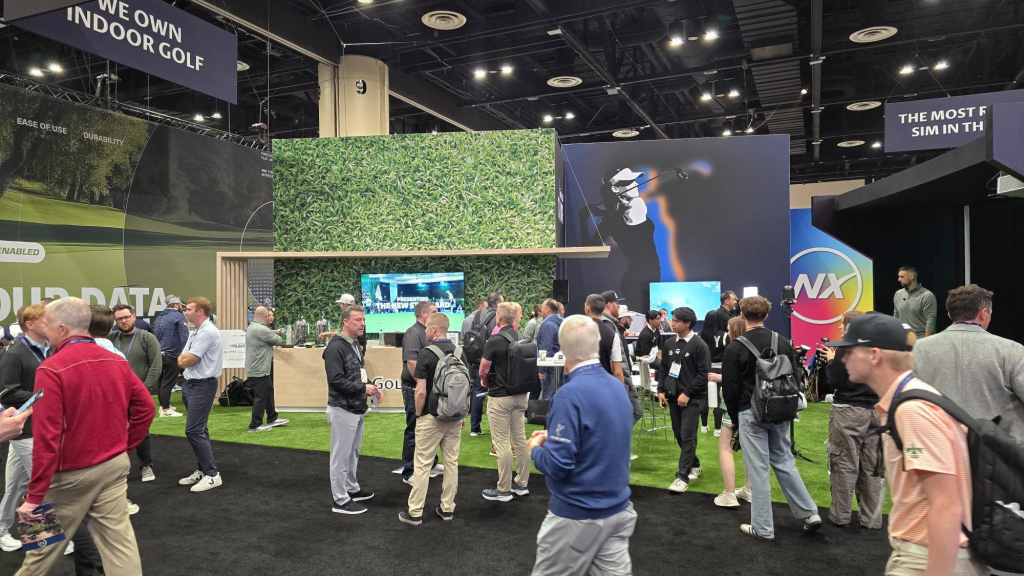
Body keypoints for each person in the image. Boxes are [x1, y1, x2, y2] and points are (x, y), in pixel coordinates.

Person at [832, 314, 986, 576]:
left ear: (874, 355)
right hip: (925, 552)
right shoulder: (910, 400)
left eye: (850, 350)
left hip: (925, 557)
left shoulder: (913, 410)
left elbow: (946, 505)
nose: (843, 358)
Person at [15, 297, 154, 576]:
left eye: (47, 324)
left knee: (39, 552)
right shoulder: (116, 360)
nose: (44, 330)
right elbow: (146, 408)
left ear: (62, 328)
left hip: (66, 476)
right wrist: (125, 448)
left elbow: (47, 436)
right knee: (120, 546)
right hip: (113, 467)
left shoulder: (50, 368)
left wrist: (35, 495)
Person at [528, 315, 637, 576]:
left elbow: (558, 465)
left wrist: (534, 449)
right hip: (618, 511)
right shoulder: (616, 386)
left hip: (578, 515)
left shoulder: (569, 395)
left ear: (562, 349)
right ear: (598, 344)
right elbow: (604, 435)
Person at [722, 296, 821, 541]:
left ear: (742, 314)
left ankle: (763, 527)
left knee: (758, 470)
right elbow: (795, 378)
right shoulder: (783, 342)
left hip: (750, 412)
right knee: (785, 461)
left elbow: (731, 389)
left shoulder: (735, 347)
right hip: (780, 410)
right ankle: (809, 513)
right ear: (766, 315)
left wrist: (734, 418)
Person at [913, 284, 1024, 442]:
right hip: (999, 450)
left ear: (950, 314)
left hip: (937, 447)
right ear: (983, 313)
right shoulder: (1012, 350)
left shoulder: (917, 350)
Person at [400, 313, 467, 525]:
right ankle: (447, 509)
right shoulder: (460, 352)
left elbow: (420, 391)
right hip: (454, 417)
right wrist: (461, 414)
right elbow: (465, 388)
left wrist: (419, 415)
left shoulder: (426, 354)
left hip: (431, 417)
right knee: (451, 463)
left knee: (422, 465)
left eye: (427, 327)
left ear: (434, 329)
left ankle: (415, 512)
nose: (425, 331)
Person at [825, 311, 883, 529]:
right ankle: (872, 520)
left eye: (842, 324)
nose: (840, 327)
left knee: (844, 463)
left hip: (848, 411)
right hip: (875, 412)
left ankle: (840, 517)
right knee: (871, 467)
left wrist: (831, 361)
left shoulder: (846, 349)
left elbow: (835, 381)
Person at [324, 305, 380, 515]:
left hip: (356, 407)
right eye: (358, 320)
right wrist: (363, 388)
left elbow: (359, 373)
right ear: (346, 322)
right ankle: (340, 499)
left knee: (352, 452)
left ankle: (351, 488)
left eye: (363, 320)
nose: (362, 324)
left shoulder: (354, 344)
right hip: (342, 408)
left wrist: (371, 386)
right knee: (340, 456)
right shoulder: (335, 348)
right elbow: (336, 380)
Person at [0, 304, 48, 552]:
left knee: (15, 486)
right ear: (30, 324)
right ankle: (43, 540)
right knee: (42, 484)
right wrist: (45, 396)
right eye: (45, 319)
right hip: (23, 429)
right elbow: (7, 393)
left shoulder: (48, 348)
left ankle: (1, 531)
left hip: (36, 427)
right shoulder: (15, 353)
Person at [479, 302, 529, 502]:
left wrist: (485, 381)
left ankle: (504, 490)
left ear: (499, 317)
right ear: (515, 317)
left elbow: (483, 369)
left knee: (502, 443)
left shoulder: (495, 340)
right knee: (520, 440)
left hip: (500, 396)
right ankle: (522, 484)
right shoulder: (522, 337)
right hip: (520, 395)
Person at [657, 307, 711, 493]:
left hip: (693, 399)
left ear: (687, 323)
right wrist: (660, 390)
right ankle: (694, 464)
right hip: (673, 396)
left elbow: (703, 374)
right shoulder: (669, 343)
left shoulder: (699, 345)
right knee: (679, 435)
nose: (672, 323)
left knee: (688, 435)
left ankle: (682, 477)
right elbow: (664, 369)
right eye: (672, 319)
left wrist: (687, 393)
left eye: (676, 320)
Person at [110, 304, 162, 484]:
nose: (123, 321)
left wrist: (144, 389)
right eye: (119, 319)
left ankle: (146, 465)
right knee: (113, 432)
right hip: (114, 395)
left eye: (126, 317)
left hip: (137, 395)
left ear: (133, 316)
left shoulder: (147, 338)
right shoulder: (110, 339)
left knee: (140, 431)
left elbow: (156, 365)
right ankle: (115, 468)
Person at [176, 296, 224, 493]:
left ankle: (212, 475)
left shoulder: (207, 332)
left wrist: (183, 360)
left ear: (200, 311)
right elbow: (182, 357)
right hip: (192, 384)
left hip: (202, 385)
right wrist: (183, 359)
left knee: (194, 430)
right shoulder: (197, 331)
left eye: (189, 309)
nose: (185, 312)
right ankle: (204, 470)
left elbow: (187, 360)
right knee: (200, 429)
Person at [710, 316, 751, 508]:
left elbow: (733, 383)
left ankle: (729, 494)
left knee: (725, 448)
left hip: (734, 406)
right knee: (750, 450)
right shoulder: (754, 348)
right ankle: (749, 490)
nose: (726, 333)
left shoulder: (733, 349)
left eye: (728, 329)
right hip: (753, 407)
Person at [399, 300, 441, 484]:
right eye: (434, 311)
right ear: (424, 314)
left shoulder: (428, 332)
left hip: (427, 388)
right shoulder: (413, 333)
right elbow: (412, 363)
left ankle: (431, 463)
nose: (437, 313)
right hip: (414, 388)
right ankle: (409, 471)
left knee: (430, 427)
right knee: (414, 427)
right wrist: (423, 384)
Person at [699, 291, 738, 434]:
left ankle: (704, 426)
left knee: (704, 398)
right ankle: (717, 429)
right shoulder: (724, 336)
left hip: (705, 370)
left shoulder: (699, 336)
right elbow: (729, 353)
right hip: (721, 370)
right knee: (720, 399)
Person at [245, 306, 289, 433]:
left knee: (268, 392)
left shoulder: (253, 327)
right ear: (264, 316)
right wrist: (278, 334)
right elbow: (279, 341)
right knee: (261, 396)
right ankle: (255, 425)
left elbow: (267, 335)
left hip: (258, 368)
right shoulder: (262, 329)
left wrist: (274, 332)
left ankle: (272, 418)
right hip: (259, 369)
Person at [469, 292, 503, 436]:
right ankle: (497, 429)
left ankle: (474, 428)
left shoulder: (477, 315)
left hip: (478, 357)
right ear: (497, 304)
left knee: (478, 391)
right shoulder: (499, 316)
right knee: (497, 393)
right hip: (494, 358)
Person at [152, 294, 187, 418]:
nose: (182, 308)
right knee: (168, 383)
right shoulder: (179, 316)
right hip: (172, 354)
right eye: (181, 305)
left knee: (161, 382)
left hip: (159, 354)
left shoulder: (159, 318)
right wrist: (186, 352)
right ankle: (166, 410)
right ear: (176, 305)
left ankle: (163, 406)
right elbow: (184, 337)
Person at [894, 266, 937, 338]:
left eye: (902, 277)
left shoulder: (927, 295)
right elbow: (896, 316)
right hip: (903, 338)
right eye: (899, 277)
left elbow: (931, 320)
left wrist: (926, 341)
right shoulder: (898, 294)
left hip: (920, 339)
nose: (899, 279)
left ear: (911, 277)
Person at [535, 299, 563, 400]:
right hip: (558, 365)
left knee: (548, 398)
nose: (540, 310)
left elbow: (545, 349)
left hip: (549, 368)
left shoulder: (548, 325)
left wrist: (542, 370)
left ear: (548, 309)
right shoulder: (561, 321)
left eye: (542, 307)